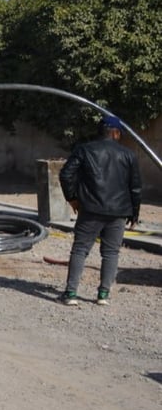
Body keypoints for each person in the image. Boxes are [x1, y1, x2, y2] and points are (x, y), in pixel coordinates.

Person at [57, 115, 141, 306]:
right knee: (111, 253)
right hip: (119, 212)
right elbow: (135, 187)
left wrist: (72, 199)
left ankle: (71, 294)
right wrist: (134, 213)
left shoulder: (84, 150)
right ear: (116, 133)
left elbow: (66, 174)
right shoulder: (128, 155)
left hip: (90, 209)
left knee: (80, 249)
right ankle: (103, 295)